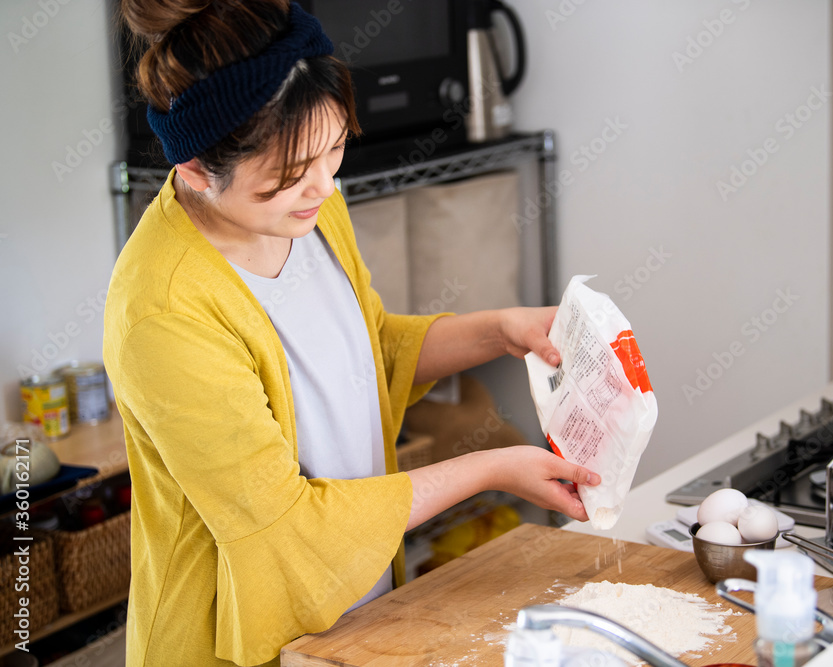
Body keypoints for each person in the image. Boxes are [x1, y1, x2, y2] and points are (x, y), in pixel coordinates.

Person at [105, 1, 600, 665]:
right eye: (287, 178)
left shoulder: (311, 204)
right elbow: (289, 528)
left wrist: (500, 330)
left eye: (333, 147)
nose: (322, 185)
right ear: (194, 170)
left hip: (354, 614)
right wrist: (493, 467)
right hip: (233, 642)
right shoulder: (162, 312)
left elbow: (371, 350)